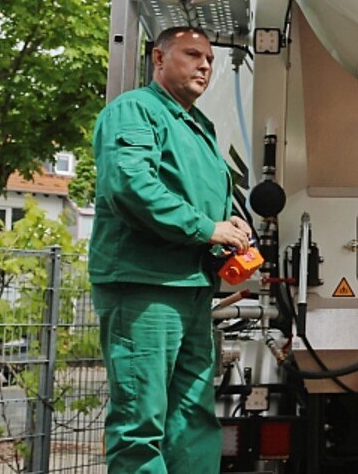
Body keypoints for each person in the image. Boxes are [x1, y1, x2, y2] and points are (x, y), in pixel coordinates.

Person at [88, 25, 251, 473]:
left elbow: (194, 199)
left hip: (190, 288)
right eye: (192, 54)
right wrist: (206, 228)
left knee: (192, 418)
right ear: (158, 59)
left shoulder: (198, 125)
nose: (205, 65)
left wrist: (227, 226)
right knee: (141, 420)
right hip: (145, 288)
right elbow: (130, 186)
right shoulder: (135, 112)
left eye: (210, 59)